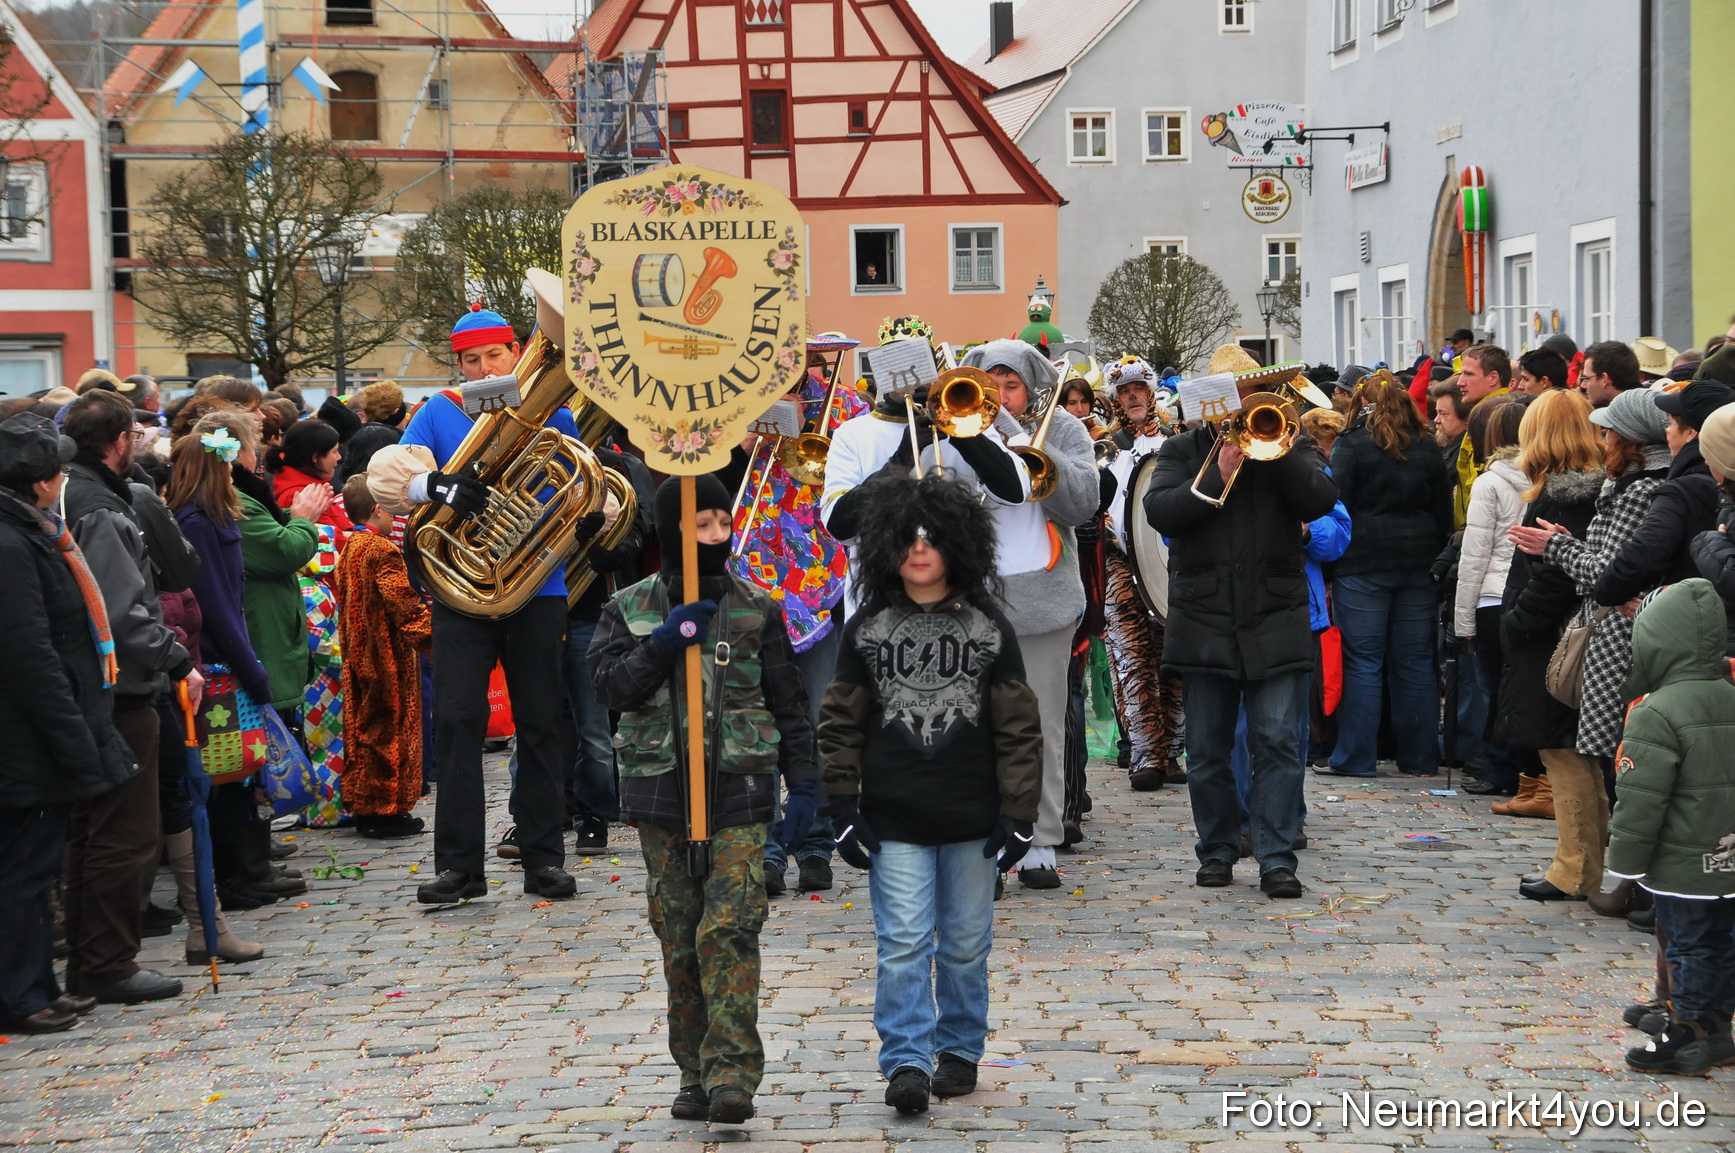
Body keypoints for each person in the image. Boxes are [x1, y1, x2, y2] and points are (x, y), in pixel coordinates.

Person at [589, 474, 819, 1126]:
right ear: (673, 534)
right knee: (680, 936)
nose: (716, 538)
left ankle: (731, 1074)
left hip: (739, 791)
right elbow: (608, 686)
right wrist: (663, 642)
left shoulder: (755, 608)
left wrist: (804, 783)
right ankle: (692, 1069)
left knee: (730, 928)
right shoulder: (628, 607)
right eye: (702, 527)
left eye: (724, 524)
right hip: (661, 794)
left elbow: (788, 701)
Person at [819, 472, 1041, 1115]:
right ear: (887, 544)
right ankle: (907, 1062)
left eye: (933, 537)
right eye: (907, 537)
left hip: (973, 818)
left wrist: (1019, 813)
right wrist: (841, 807)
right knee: (904, 943)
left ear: (958, 545)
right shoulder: (865, 628)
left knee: (968, 945)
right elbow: (839, 723)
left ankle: (960, 1048)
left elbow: (1019, 728)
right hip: (894, 820)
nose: (919, 549)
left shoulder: (989, 625)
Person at [367, 306, 595, 903]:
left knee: (543, 723)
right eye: (472, 360)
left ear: (517, 352)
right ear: (459, 364)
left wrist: (586, 510)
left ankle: (544, 858)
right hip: (460, 592)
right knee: (460, 721)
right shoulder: (440, 411)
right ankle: (459, 868)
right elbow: (385, 477)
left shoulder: (556, 409)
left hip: (535, 588)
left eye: (494, 355)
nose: (484, 367)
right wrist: (434, 487)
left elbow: (575, 484)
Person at [1145, 351, 1339, 899]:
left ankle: (1277, 856)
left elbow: (1324, 497)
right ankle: (1218, 848)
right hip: (1204, 619)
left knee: (1278, 743)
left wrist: (1272, 452)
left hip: (1274, 616)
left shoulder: (1287, 448)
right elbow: (1161, 512)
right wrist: (1218, 470)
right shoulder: (1182, 450)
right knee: (1206, 749)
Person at [60, 390, 201, 1005]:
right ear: (119, 443)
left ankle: (95, 957)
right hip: (117, 689)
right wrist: (174, 660)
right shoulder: (100, 506)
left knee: (95, 831)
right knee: (122, 832)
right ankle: (106, 961)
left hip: (88, 685)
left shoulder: (73, 491)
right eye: (135, 438)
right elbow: (121, 610)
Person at [0, 413, 137, 1033]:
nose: (61, 480)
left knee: (32, 867)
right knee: (23, 873)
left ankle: (36, 985)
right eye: (53, 472)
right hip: (25, 739)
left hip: (39, 732)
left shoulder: (28, 533)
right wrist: (75, 741)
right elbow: (31, 654)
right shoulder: (11, 544)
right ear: (35, 483)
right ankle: (23, 994)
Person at [723, 347, 867, 891]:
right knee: (756, 722)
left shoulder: (845, 404)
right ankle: (765, 847)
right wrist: (738, 448)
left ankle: (815, 843)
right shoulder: (731, 402)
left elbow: (859, 483)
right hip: (748, 581)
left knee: (818, 718)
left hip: (821, 582)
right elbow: (704, 489)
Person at [961, 339, 1097, 889]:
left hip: (1044, 601)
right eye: (989, 385)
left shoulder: (1063, 428)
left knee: (1039, 726)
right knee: (975, 729)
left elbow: (1083, 503)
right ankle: (983, 842)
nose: (997, 396)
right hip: (973, 601)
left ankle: (1040, 840)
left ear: (1032, 388)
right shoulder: (962, 422)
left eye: (1009, 385)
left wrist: (1024, 446)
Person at [1508, 389, 1678, 827]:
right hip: (1612, 631)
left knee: (1618, 761)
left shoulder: (1639, 489)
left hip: (1617, 636)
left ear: (1628, 439)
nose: (1602, 442)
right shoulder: (1628, 484)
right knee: (1607, 755)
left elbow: (1608, 576)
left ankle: (1621, 876)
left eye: (1608, 434)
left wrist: (1558, 547)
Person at [171, 411, 320, 909]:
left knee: (244, 774)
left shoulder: (216, 516)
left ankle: (251, 868)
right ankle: (240, 876)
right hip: (222, 666)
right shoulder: (200, 521)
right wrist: (252, 669)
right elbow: (218, 604)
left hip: (233, 661)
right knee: (232, 776)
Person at [1606, 580, 1735, 1074]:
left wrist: (1625, 866)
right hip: (1725, 858)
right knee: (1721, 940)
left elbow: (1641, 803)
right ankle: (1717, 1025)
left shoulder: (1656, 710)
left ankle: (1688, 1027)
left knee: (1687, 942)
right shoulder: (1729, 695)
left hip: (1682, 862)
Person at [1491, 391, 1605, 887]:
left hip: (1553, 640)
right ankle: (1584, 865)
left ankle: (1574, 869)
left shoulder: (1563, 494)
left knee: (1564, 754)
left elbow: (1557, 576)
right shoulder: (1583, 488)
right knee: (1573, 753)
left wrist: (1515, 622)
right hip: (1559, 634)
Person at [1325, 371, 1453, 779]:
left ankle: (1357, 757)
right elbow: (1440, 511)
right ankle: (1419, 758)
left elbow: (1335, 503)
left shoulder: (1352, 443)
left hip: (1363, 563)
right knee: (1414, 661)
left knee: (1364, 661)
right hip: (1417, 561)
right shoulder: (1427, 445)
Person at [1098, 357, 1184, 790]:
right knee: (1132, 661)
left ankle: (1171, 752)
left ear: (1151, 394)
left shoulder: (1175, 442)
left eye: (1139, 389)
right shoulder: (1105, 446)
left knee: (1176, 662)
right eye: (1124, 391)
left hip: (1172, 565)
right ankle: (1145, 756)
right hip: (1120, 563)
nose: (1132, 397)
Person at [333, 475, 432, 837]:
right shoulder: (382, 550)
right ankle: (382, 809)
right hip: (385, 657)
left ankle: (367, 803)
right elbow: (403, 604)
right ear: (378, 508)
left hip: (359, 652)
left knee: (365, 728)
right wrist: (431, 639)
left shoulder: (352, 545)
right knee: (388, 731)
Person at [1453, 399, 1528, 796]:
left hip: (1493, 596)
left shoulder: (1490, 481)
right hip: (1529, 595)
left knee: (1494, 690)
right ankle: (1523, 770)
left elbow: (1475, 554)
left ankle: (1500, 768)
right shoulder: (1543, 476)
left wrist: (1462, 621)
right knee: (1521, 687)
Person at [267, 419, 352, 548]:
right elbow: (335, 543)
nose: (339, 457)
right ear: (315, 457)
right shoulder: (301, 496)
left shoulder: (311, 487)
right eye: (334, 451)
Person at [1454, 345, 1512, 527]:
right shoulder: (1483, 413)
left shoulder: (1496, 417)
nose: (1460, 382)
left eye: (1468, 374)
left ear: (1493, 378)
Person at [1580, 340, 1642, 408]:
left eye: (1586, 378)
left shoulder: (1618, 416)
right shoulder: (1647, 407)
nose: (1583, 385)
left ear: (1604, 379)